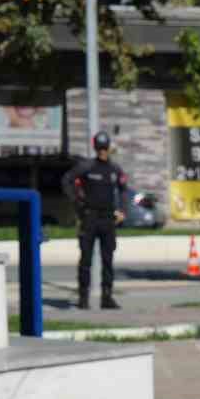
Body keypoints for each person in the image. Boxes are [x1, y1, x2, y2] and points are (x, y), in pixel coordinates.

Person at [63, 131, 127, 310]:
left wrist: (121, 210)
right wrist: (77, 202)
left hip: (107, 219)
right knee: (86, 259)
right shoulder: (87, 167)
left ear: (109, 148)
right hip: (89, 218)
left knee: (108, 259)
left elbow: (123, 189)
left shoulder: (114, 169)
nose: (102, 152)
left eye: (105, 148)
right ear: (95, 148)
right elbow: (67, 180)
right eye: (99, 148)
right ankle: (83, 297)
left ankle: (107, 296)